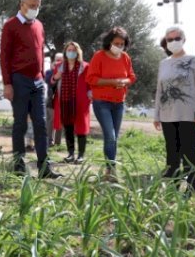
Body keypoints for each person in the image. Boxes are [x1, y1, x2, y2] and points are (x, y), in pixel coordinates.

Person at [0, 0, 60, 178]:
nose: (35, 9)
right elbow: (5, 57)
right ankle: (19, 165)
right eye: (31, 5)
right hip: (19, 80)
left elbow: (40, 51)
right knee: (20, 124)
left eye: (37, 6)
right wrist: (8, 83)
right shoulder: (10, 25)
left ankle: (44, 167)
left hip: (38, 81)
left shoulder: (39, 25)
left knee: (41, 124)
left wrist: (42, 76)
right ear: (22, 5)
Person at [153, 25, 195, 192]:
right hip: (167, 115)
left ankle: (192, 185)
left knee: (188, 151)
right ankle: (174, 185)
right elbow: (159, 90)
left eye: (177, 38)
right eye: (170, 39)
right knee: (172, 151)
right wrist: (156, 115)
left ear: (183, 40)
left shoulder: (194, 60)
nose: (174, 42)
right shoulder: (164, 63)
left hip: (188, 115)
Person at [87, 26, 136, 180]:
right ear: (109, 42)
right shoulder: (99, 56)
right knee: (110, 136)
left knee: (114, 137)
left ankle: (110, 170)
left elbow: (132, 76)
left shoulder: (125, 58)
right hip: (102, 102)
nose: (119, 46)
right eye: (117, 43)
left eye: (122, 44)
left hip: (119, 103)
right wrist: (112, 81)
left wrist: (124, 81)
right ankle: (111, 169)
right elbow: (91, 79)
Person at [50, 41, 91, 163]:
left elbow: (89, 83)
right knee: (68, 127)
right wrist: (55, 77)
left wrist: (90, 94)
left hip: (81, 101)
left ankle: (81, 155)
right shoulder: (59, 66)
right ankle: (70, 154)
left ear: (78, 52)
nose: (71, 52)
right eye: (69, 50)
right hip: (64, 100)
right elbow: (52, 81)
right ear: (65, 52)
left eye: (73, 50)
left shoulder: (85, 66)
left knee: (81, 127)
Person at [45, 53, 63, 148]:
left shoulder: (66, 71)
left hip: (62, 100)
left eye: (61, 60)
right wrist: (54, 70)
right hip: (51, 100)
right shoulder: (49, 72)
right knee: (51, 120)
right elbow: (48, 81)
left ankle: (57, 142)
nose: (59, 62)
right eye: (57, 60)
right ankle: (49, 141)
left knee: (61, 120)